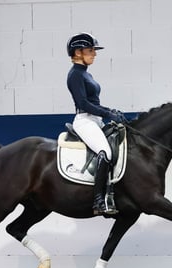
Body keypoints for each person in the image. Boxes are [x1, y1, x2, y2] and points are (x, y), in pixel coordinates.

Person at [66, 32, 126, 216]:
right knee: (105, 152)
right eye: (91, 50)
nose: (95, 54)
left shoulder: (86, 73)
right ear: (78, 52)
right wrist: (108, 113)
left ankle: (111, 191)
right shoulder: (75, 75)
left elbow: (95, 103)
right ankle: (98, 200)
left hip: (95, 119)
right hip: (84, 120)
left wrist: (111, 111)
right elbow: (84, 103)